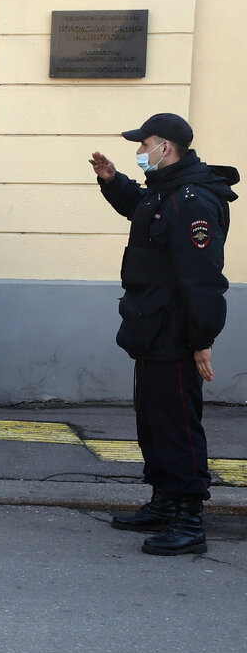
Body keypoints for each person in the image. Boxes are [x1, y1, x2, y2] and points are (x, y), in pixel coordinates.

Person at [89, 112, 238, 556]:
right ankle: (163, 501)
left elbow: (204, 279)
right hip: (150, 327)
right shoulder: (166, 190)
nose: (139, 152)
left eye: (143, 144)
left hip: (175, 331)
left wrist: (202, 340)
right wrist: (113, 180)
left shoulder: (192, 201)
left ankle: (190, 518)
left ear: (165, 147)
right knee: (153, 421)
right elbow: (141, 206)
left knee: (177, 426)